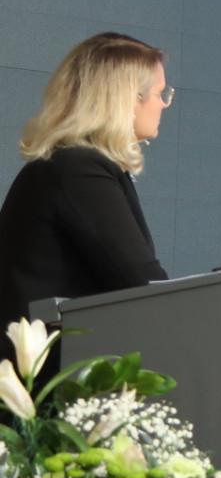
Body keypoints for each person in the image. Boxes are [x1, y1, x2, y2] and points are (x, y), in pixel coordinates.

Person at [0, 33, 170, 371]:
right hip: (49, 382)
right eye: (159, 93)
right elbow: (140, 281)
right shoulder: (79, 169)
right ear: (127, 99)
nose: (164, 104)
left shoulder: (72, 164)